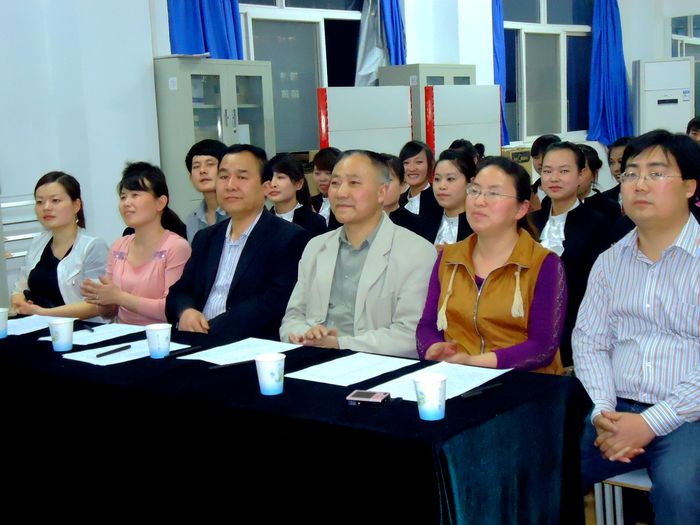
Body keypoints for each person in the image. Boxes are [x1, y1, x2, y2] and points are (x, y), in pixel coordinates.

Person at [573, 130, 700, 524]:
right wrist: (602, 410)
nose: (639, 184)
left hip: (688, 415)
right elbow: (589, 341)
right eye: (630, 174)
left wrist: (650, 422)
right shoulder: (610, 262)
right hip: (614, 409)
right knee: (539, 472)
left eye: (656, 173)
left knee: (681, 491)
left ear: (690, 187)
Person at [280, 150, 436, 358]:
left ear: (382, 192)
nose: (341, 192)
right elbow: (292, 317)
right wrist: (304, 334)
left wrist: (339, 344)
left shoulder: (416, 252)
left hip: (375, 366)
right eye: (335, 183)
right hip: (310, 359)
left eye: (354, 183)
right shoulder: (316, 247)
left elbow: (410, 335)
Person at [417, 157, 565, 373]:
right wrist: (433, 348)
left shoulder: (543, 263)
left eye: (493, 193)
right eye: (475, 190)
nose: (479, 201)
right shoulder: (448, 258)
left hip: (524, 383)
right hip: (458, 376)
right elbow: (427, 324)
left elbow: (543, 347)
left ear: (521, 209)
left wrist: (474, 362)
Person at [166, 144, 310, 341]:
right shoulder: (206, 238)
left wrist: (211, 329)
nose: (230, 185)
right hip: (196, 340)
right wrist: (185, 312)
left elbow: (275, 303)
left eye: (242, 177)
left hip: (246, 344)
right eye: (224, 177)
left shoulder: (289, 238)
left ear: (266, 187)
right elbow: (180, 290)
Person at [81, 162, 191, 325]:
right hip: (122, 333)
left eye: (135, 195)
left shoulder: (176, 247)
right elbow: (109, 314)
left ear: (160, 202)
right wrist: (102, 298)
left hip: (161, 336)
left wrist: (119, 297)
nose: (126, 203)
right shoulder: (118, 246)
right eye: (123, 197)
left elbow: (172, 309)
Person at [530, 142, 610, 366]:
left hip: (574, 328)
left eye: (564, 171)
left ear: (581, 175)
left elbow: (595, 287)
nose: (554, 178)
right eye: (547, 171)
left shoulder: (597, 223)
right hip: (530, 326)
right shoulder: (532, 221)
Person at [11, 172, 108, 320]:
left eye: (55, 200)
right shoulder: (38, 242)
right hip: (37, 324)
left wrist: (41, 313)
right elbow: (21, 287)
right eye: (39, 202)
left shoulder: (93, 246)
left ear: (76, 205)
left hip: (80, 328)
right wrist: (19, 301)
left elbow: (97, 304)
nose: (46, 207)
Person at [263, 153, 326, 237]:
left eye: (280, 177)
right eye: (269, 178)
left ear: (298, 183)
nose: (272, 184)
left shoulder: (315, 222)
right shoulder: (262, 222)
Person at [423, 149, 475, 245]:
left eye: (450, 179)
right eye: (437, 179)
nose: (442, 186)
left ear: (470, 184)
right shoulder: (425, 223)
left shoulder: (479, 228)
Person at [183, 139, 229, 242]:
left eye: (210, 164)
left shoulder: (238, 212)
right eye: (196, 166)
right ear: (191, 178)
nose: (202, 170)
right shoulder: (192, 220)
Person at [380, 153, 430, 240]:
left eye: (388, 180)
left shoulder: (418, 225)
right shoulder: (359, 222)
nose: (381, 186)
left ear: (402, 185)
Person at [576, 144, 621, 224]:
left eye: (581, 171)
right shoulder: (555, 204)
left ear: (595, 174)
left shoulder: (609, 207)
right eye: (566, 171)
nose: (574, 176)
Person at [398, 140, 441, 217]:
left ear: (430, 164)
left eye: (418, 162)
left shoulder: (439, 199)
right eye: (406, 163)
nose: (412, 168)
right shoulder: (397, 202)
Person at [529, 134, 561, 211]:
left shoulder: (566, 190)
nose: (540, 162)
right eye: (536, 158)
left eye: (544, 157)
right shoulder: (529, 191)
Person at [310, 147, 341, 225]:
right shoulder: (310, 203)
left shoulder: (348, 204)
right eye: (317, 173)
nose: (322, 179)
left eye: (328, 173)